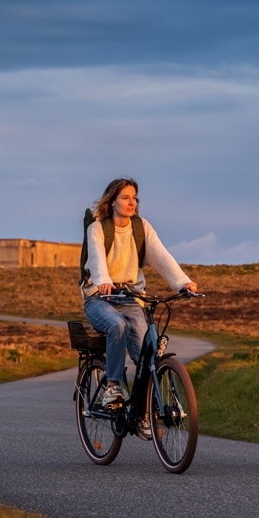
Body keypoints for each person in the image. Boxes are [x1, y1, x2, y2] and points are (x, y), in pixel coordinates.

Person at [80, 177, 198, 440]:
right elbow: (97, 258)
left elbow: (162, 256)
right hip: (100, 299)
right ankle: (112, 386)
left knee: (148, 355)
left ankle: (142, 415)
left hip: (132, 299)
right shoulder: (98, 229)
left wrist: (183, 282)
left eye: (135, 198)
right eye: (126, 197)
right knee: (117, 325)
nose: (132, 202)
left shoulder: (141, 228)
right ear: (112, 201)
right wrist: (103, 283)